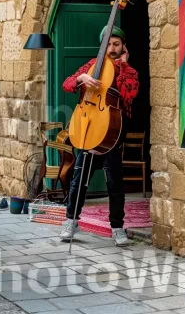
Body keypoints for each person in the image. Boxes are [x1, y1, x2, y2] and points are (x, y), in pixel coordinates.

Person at [60, 26, 140, 247]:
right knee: (79, 179)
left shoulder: (129, 71)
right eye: (108, 44)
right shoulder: (92, 66)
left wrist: (122, 66)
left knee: (114, 182)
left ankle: (117, 227)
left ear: (123, 46)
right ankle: (71, 222)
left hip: (111, 131)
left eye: (116, 44)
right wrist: (82, 78)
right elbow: (68, 84)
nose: (112, 49)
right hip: (88, 126)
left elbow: (129, 94)